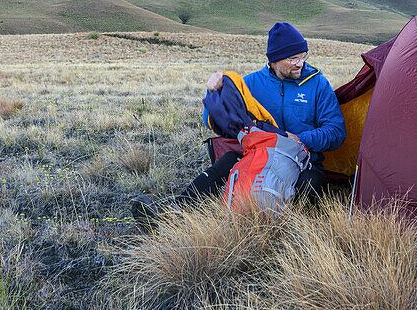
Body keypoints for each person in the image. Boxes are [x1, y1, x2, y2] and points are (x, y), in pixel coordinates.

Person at [132, 22, 346, 226]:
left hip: (303, 161)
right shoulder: (250, 84)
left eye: (302, 57)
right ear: (274, 60)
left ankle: (287, 234)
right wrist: (214, 92)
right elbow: (217, 122)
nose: (300, 63)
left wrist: (300, 139)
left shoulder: (317, 84)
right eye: (293, 58)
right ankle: (170, 217)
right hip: (257, 158)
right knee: (227, 163)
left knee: (311, 184)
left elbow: (336, 131)